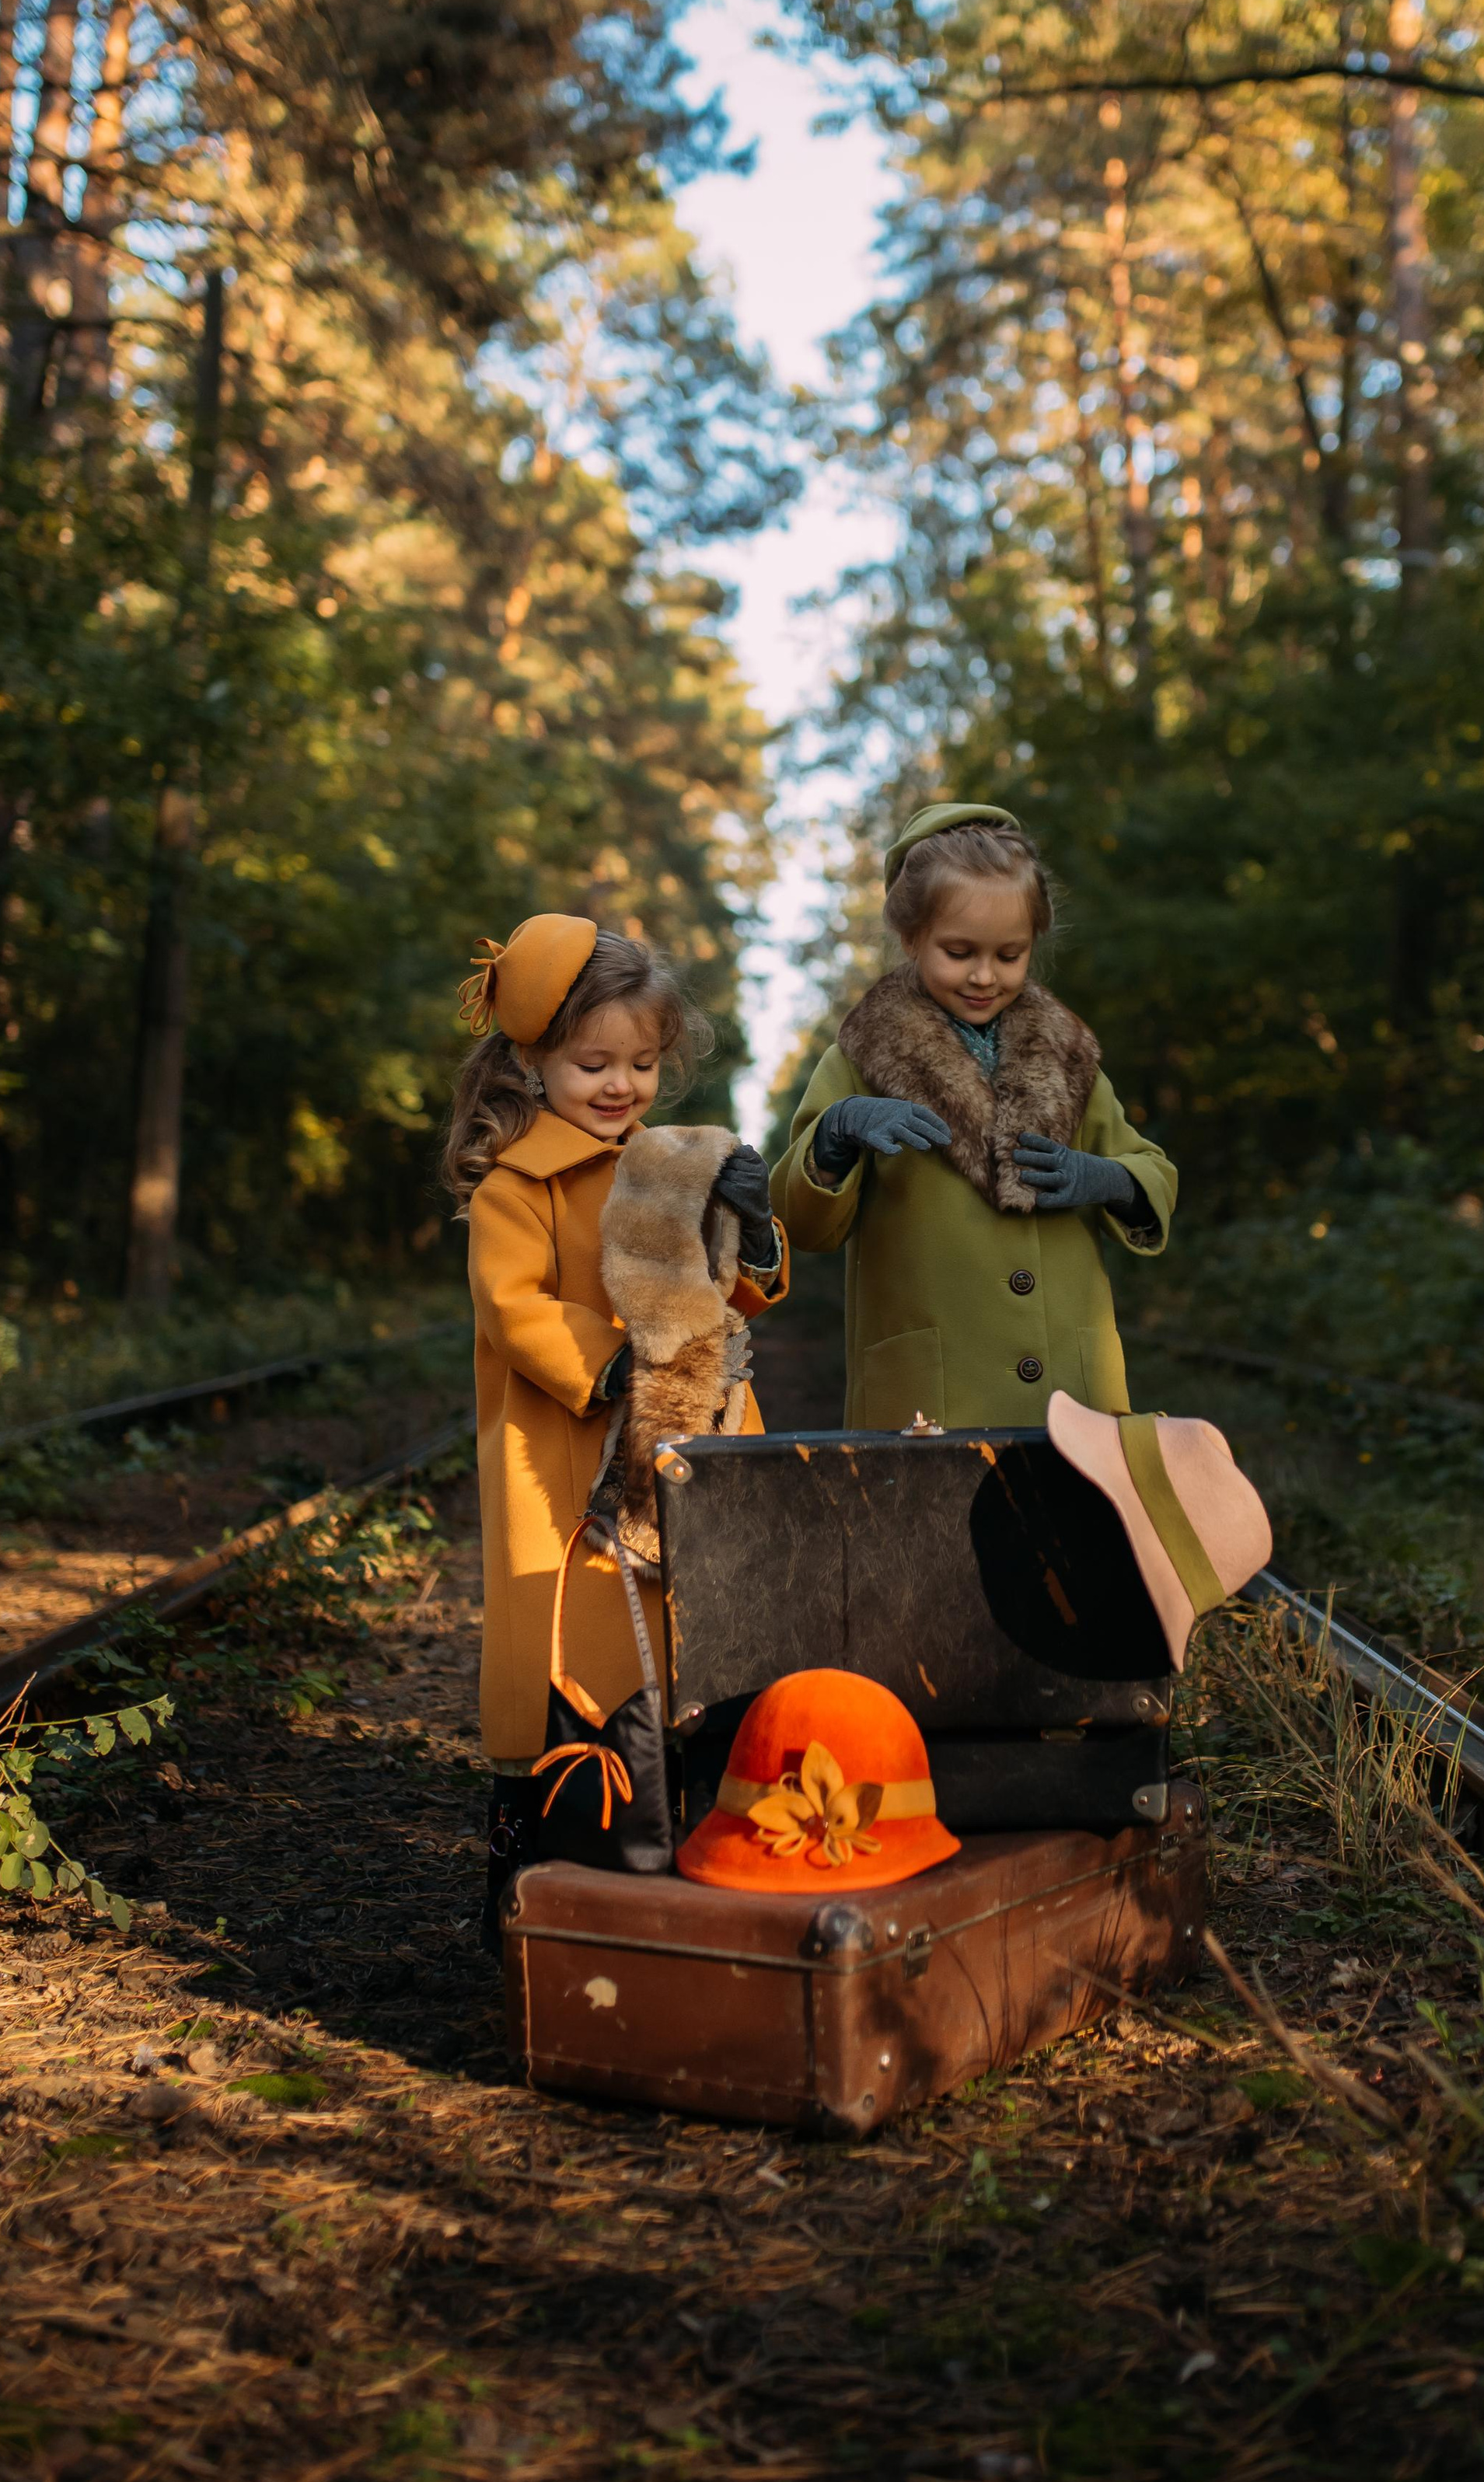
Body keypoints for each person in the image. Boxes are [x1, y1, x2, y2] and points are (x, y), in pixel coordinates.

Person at [442, 913, 786, 1941]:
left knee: (692, 1649)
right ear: (533, 1057)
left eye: (641, 1062)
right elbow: (515, 1307)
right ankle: (562, 1893)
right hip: (576, 1459)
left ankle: (691, 1870)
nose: (620, 1084)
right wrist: (619, 1364)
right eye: (593, 1061)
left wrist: (755, 1230)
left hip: (695, 1446)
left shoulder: (673, 1164)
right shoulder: (516, 1186)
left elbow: (739, 1292)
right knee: (589, 1665)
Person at [770, 803, 1176, 1428]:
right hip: (929, 1398)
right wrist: (835, 1134)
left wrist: (1104, 1179)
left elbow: (1152, 1169)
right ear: (912, 939)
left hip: (1071, 1402)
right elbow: (803, 1222)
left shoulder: (1067, 1057)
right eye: (959, 952)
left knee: (1061, 1529)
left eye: (1010, 955)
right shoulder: (859, 1057)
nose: (985, 976)